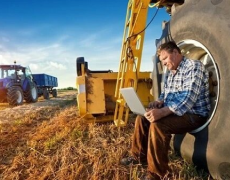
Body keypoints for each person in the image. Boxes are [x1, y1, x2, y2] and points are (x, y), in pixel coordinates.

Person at [121, 41, 211, 180]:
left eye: (164, 58)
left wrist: (162, 112)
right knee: (142, 118)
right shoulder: (171, 71)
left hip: (193, 114)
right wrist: (158, 102)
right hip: (176, 113)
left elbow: (188, 98)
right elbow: (166, 93)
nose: (163, 63)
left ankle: (157, 174)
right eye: (161, 60)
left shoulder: (193, 66)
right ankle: (138, 157)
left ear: (175, 53)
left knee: (158, 125)